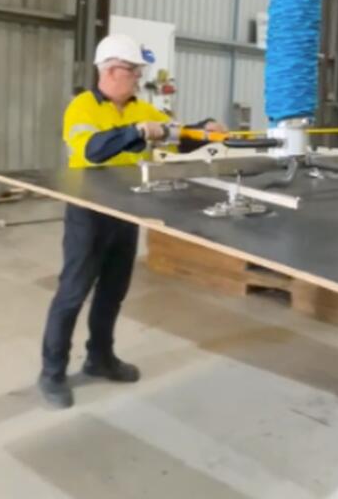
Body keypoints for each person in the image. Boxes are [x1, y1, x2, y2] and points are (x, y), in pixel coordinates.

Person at [38, 34, 226, 408]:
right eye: (134, 71)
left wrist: (204, 130)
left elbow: (177, 136)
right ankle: (52, 372)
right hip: (89, 213)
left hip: (126, 210)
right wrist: (136, 132)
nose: (139, 79)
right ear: (110, 70)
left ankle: (100, 358)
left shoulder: (143, 109)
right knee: (73, 292)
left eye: (139, 72)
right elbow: (93, 149)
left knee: (113, 290)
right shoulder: (82, 108)